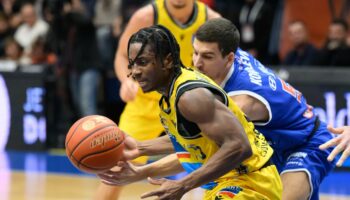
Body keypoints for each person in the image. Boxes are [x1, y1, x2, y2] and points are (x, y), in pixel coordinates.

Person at [100, 18, 336, 200]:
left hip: (306, 142)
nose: (198, 62)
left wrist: (168, 177)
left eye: (208, 56)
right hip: (269, 144)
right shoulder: (217, 63)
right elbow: (192, 140)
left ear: (229, 57)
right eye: (195, 52)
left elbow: (216, 145)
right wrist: (141, 149)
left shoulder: (242, 99)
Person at [95, 0, 221, 199]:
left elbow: (223, 65)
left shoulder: (212, 21)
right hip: (145, 102)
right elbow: (121, 56)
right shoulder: (146, 16)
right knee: (119, 166)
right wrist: (126, 81)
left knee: (208, 162)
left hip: (188, 101)